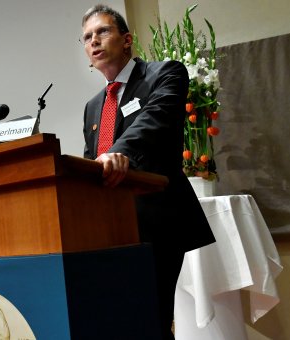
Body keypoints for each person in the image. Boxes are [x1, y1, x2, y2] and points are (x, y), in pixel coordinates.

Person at [80, 5, 216, 338]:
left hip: (156, 220)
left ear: (126, 40)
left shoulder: (165, 73)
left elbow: (155, 120)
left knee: (150, 320)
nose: (94, 41)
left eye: (102, 32)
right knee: (119, 322)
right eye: (86, 37)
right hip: (108, 229)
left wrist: (119, 151)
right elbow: (91, 160)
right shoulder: (93, 106)